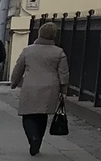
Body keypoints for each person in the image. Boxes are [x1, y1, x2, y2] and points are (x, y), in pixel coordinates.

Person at [9, 21, 69, 154]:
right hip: (50, 87)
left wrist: (14, 82)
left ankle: (32, 137)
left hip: (30, 86)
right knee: (42, 115)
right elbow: (63, 73)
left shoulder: (28, 50)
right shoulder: (59, 52)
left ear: (39, 33)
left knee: (28, 114)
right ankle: (39, 139)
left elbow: (19, 68)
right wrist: (63, 91)